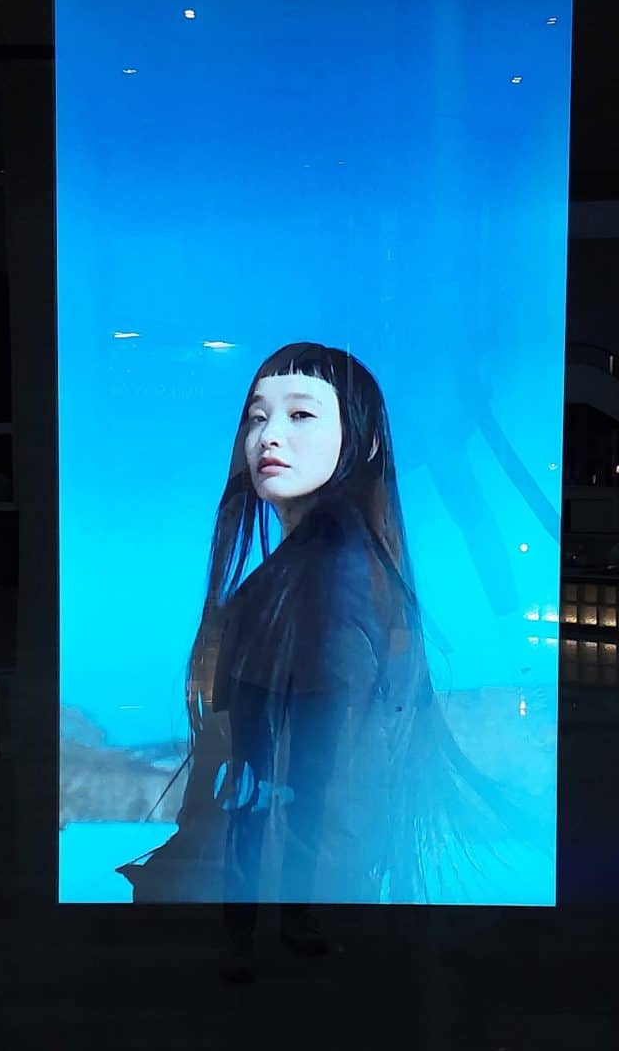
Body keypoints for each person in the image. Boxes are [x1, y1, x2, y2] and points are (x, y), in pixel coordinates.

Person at [123, 343, 467, 906]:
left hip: (281, 909)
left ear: (365, 441)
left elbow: (330, 801)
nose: (269, 436)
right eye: (257, 417)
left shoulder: (330, 582)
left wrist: (303, 932)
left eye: (301, 414)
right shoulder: (312, 575)